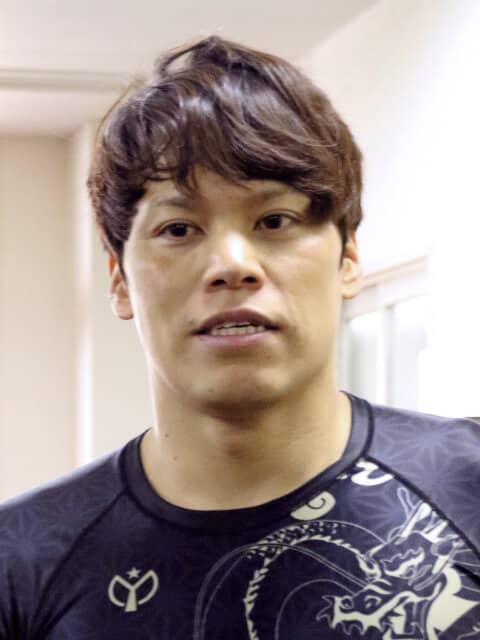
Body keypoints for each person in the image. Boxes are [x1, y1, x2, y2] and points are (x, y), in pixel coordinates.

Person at [1, 35, 479, 640]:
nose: (232, 264)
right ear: (119, 280)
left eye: (274, 221)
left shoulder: (467, 486)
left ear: (348, 258)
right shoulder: (21, 562)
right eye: (179, 229)